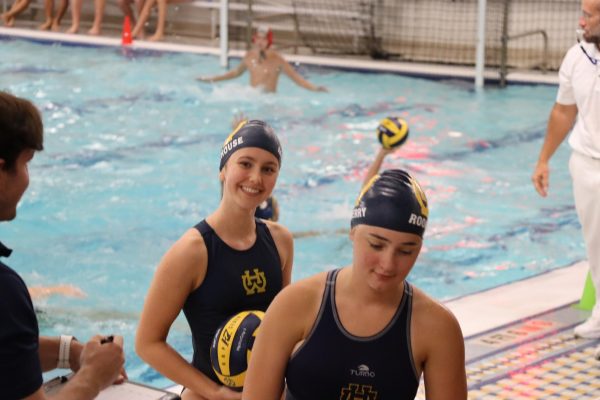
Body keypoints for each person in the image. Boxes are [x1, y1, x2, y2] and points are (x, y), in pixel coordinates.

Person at [243, 169, 467, 400]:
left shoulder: (437, 328)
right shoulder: (294, 305)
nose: (388, 264)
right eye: (376, 245)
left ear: (420, 247)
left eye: (405, 251)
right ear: (352, 232)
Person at [135, 119, 294, 400]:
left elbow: (283, 327)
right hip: (208, 395)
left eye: (268, 169)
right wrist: (216, 392)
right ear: (223, 170)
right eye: (245, 164)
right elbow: (147, 343)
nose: (256, 178)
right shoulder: (192, 251)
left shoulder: (281, 241)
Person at [0, 91, 126, 399]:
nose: (28, 178)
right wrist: (94, 376)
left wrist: (67, 352)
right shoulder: (4, 291)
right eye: (26, 163)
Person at [531, 0, 600, 339]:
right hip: (587, 164)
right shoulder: (578, 56)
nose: (581, 20)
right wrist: (544, 159)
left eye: (589, 14)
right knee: (596, 245)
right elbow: (563, 110)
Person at [197, 26, 328, 93]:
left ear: (269, 41)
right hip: (252, 97)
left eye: (263, 39)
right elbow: (235, 73)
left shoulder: (277, 59)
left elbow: (296, 78)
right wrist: (212, 79)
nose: (260, 42)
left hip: (268, 101)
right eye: (258, 38)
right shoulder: (249, 55)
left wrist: (315, 88)